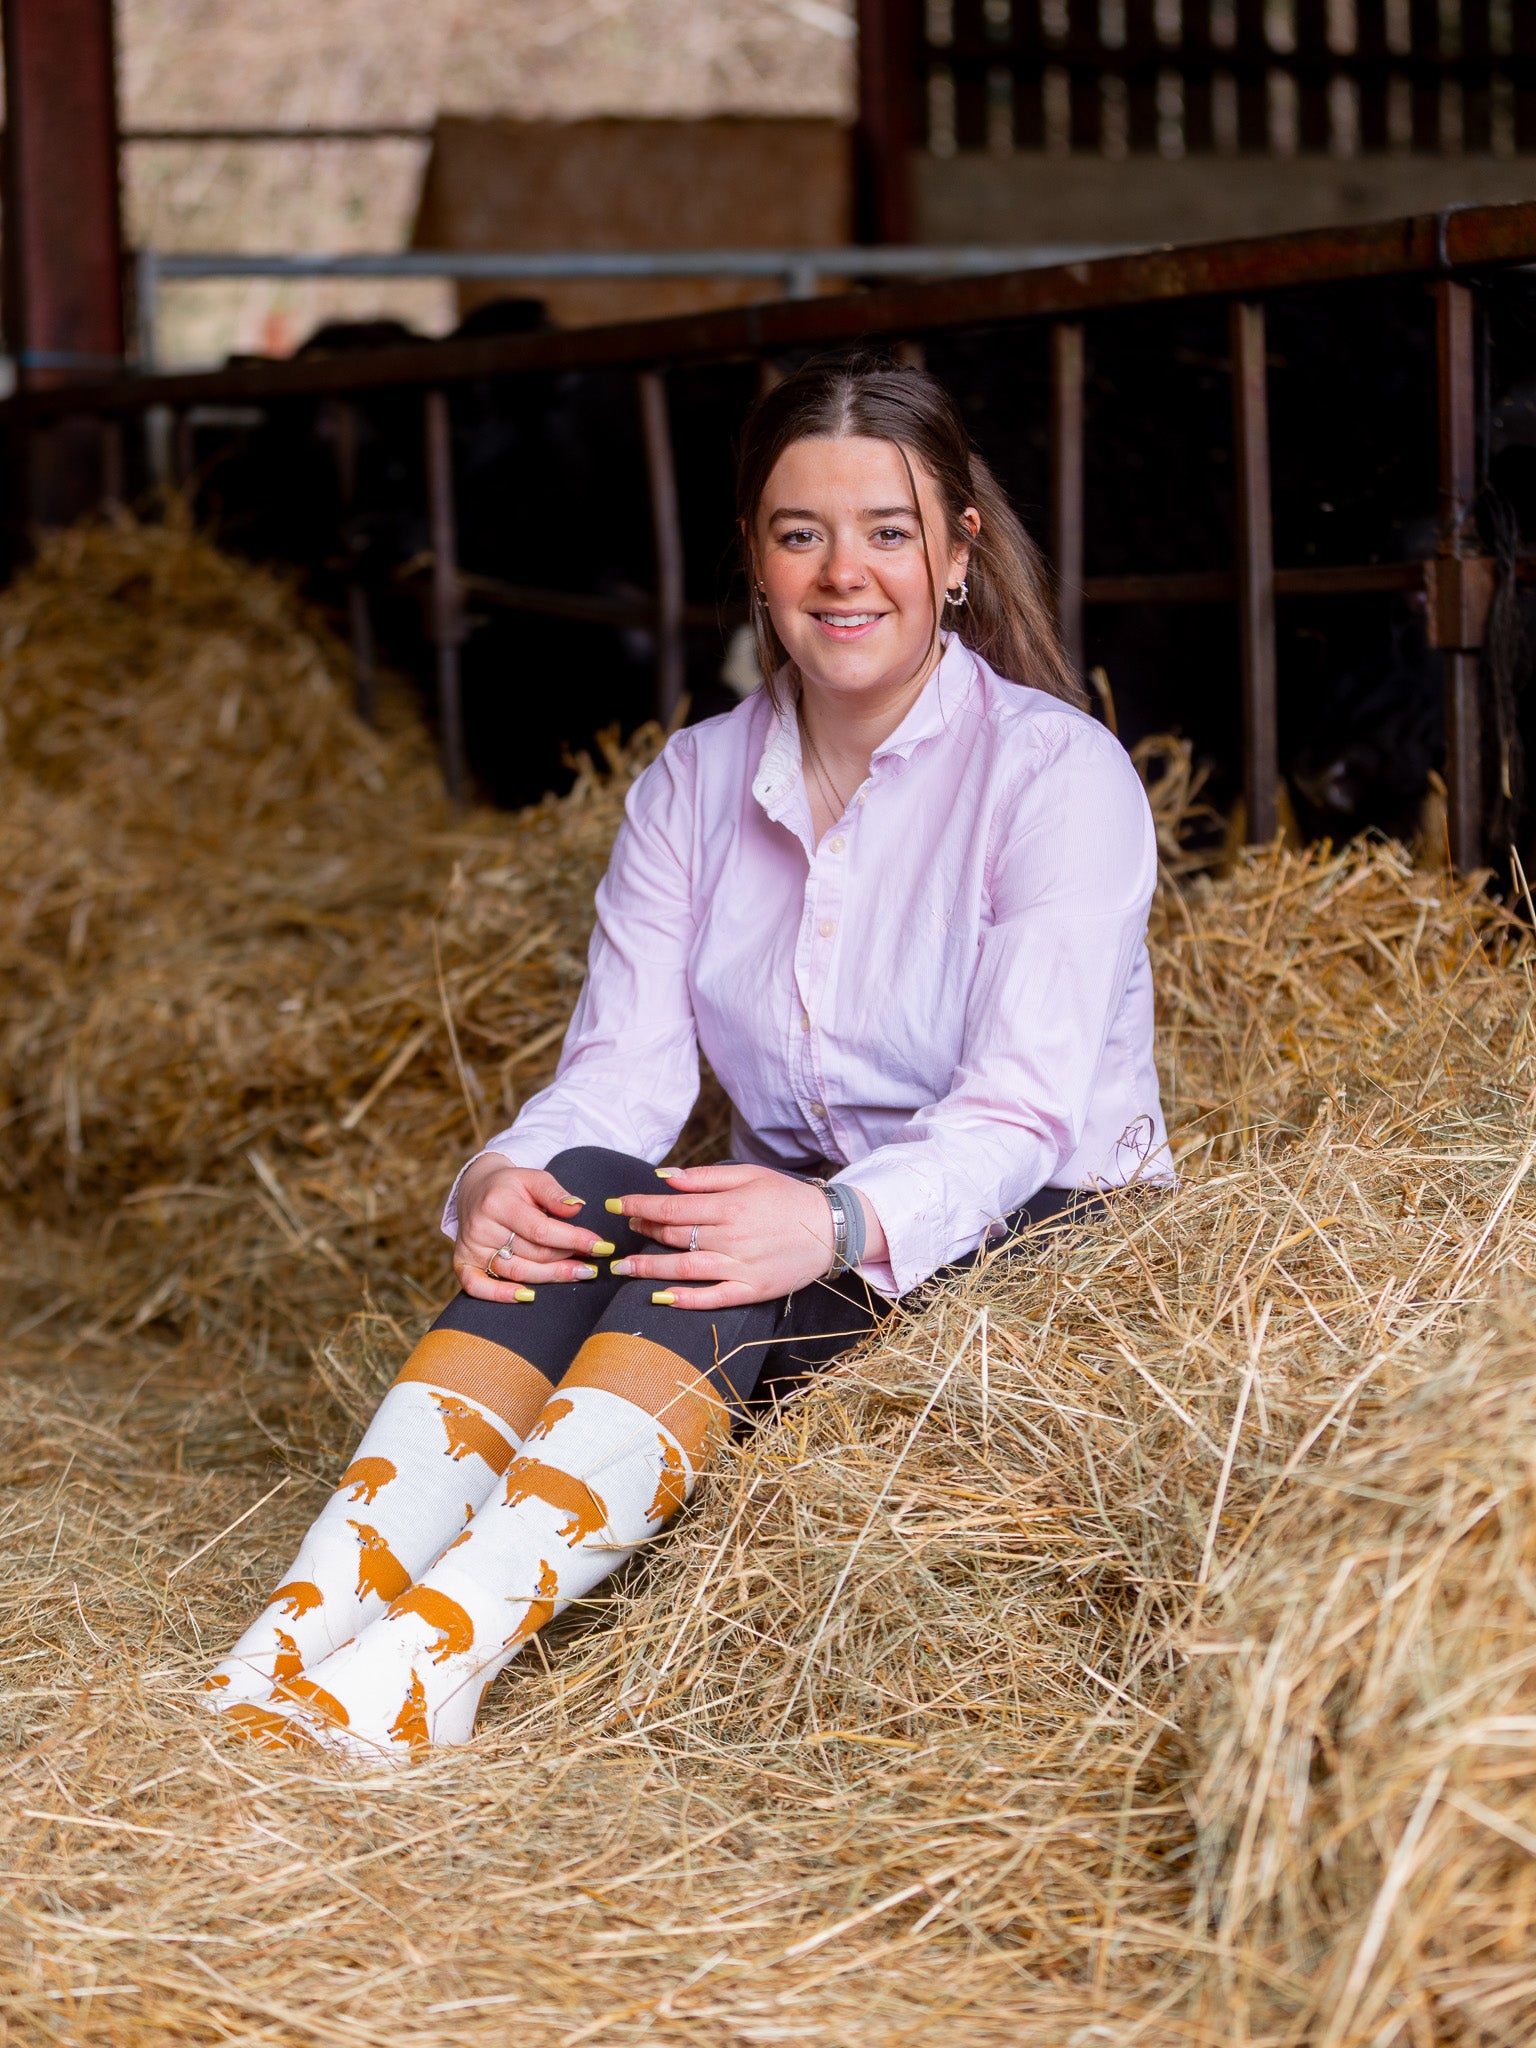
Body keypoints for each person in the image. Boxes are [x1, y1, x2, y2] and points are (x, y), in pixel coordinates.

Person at [206, 358, 1169, 1759]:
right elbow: (620, 1079)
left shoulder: (1055, 775)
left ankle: (434, 1654)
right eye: (801, 533)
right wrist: (501, 1176)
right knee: (594, 1188)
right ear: (756, 560)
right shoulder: (695, 783)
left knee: (693, 1243)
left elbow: (1023, 1114)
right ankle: (300, 1629)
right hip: (796, 1211)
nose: (846, 574)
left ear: (958, 554)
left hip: (1036, 1227)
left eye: (889, 531)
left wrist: (832, 1215)